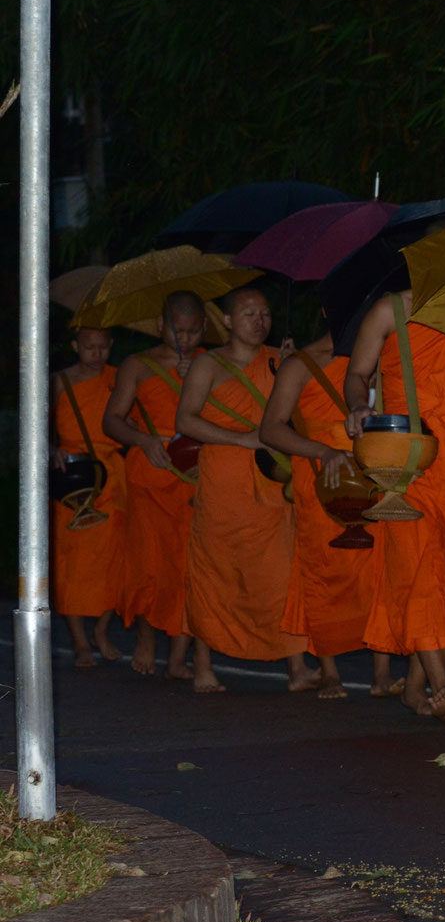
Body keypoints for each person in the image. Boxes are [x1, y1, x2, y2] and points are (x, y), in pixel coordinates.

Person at [346, 289, 445, 718]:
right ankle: (442, 685)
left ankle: (414, 687)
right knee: (422, 570)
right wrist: (356, 407)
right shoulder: (390, 310)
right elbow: (357, 374)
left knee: (442, 575)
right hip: (407, 458)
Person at [175, 286, 311, 694]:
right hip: (224, 483)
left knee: (282, 572)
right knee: (214, 573)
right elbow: (185, 421)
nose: (259, 321)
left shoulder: (279, 360)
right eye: (249, 313)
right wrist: (242, 439)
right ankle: (203, 666)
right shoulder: (208, 365)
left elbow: (297, 420)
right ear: (229, 321)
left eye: (265, 313)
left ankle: (297, 668)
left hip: (272, 484)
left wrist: (291, 370)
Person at [260, 328, 386, 699]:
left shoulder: (379, 356)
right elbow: (270, 429)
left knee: (378, 570)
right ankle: (329, 670)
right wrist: (322, 452)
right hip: (322, 477)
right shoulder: (300, 365)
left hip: (373, 472)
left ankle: (382, 672)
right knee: (322, 570)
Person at [103, 290, 206, 680]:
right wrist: (144, 440)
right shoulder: (137, 365)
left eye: (195, 331)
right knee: (148, 562)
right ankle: (147, 639)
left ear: (205, 328)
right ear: (161, 326)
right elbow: (112, 420)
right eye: (179, 331)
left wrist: (195, 379)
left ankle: (179, 655)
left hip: (195, 471)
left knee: (188, 564)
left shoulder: (209, 363)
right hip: (150, 469)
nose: (187, 340)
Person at [51, 324, 126, 667]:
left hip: (111, 477)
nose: (97, 354)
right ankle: (81, 643)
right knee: (74, 564)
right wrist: (51, 449)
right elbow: (39, 425)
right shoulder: (59, 381)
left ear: (111, 346)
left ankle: (102, 631)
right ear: (74, 346)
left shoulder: (120, 377)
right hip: (73, 480)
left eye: (103, 347)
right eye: (89, 347)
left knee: (114, 560)